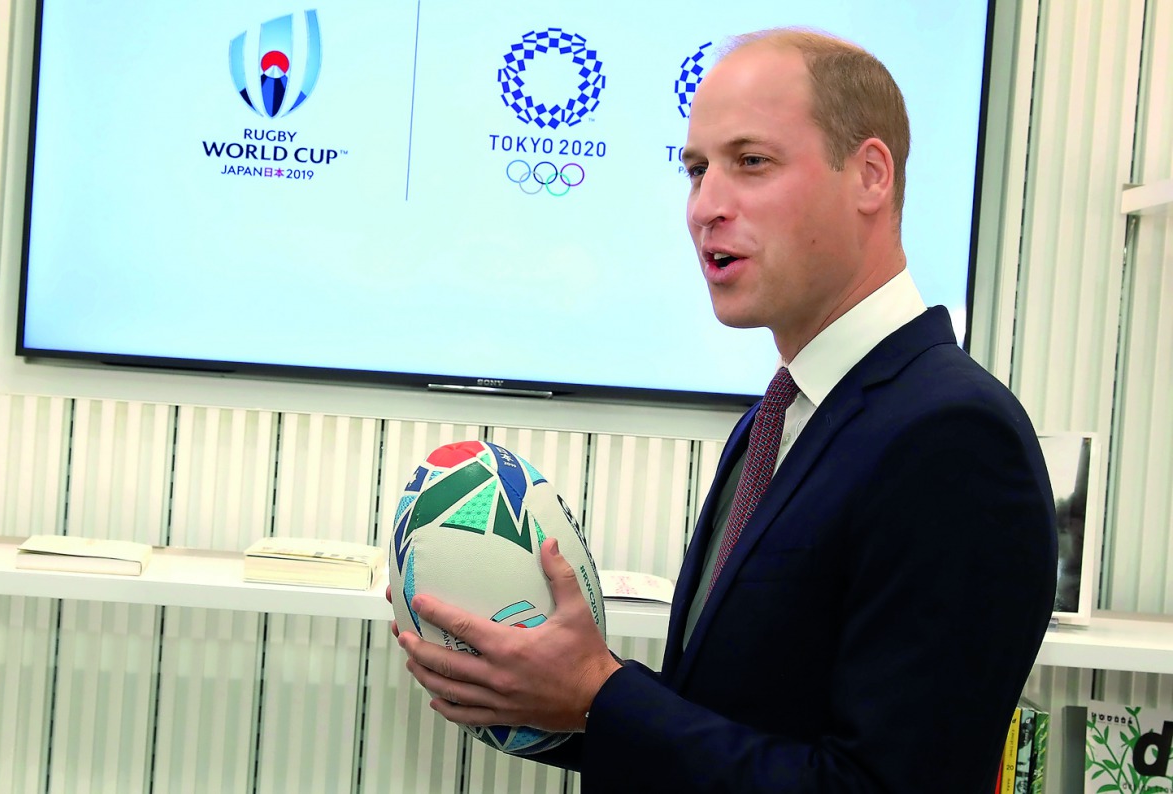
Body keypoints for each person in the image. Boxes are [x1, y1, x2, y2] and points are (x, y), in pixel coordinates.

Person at [393, 28, 1057, 793]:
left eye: (751, 162)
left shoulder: (955, 438)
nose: (706, 206)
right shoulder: (778, 419)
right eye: (697, 169)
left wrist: (600, 695)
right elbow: (731, 716)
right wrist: (543, 692)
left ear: (870, 175)